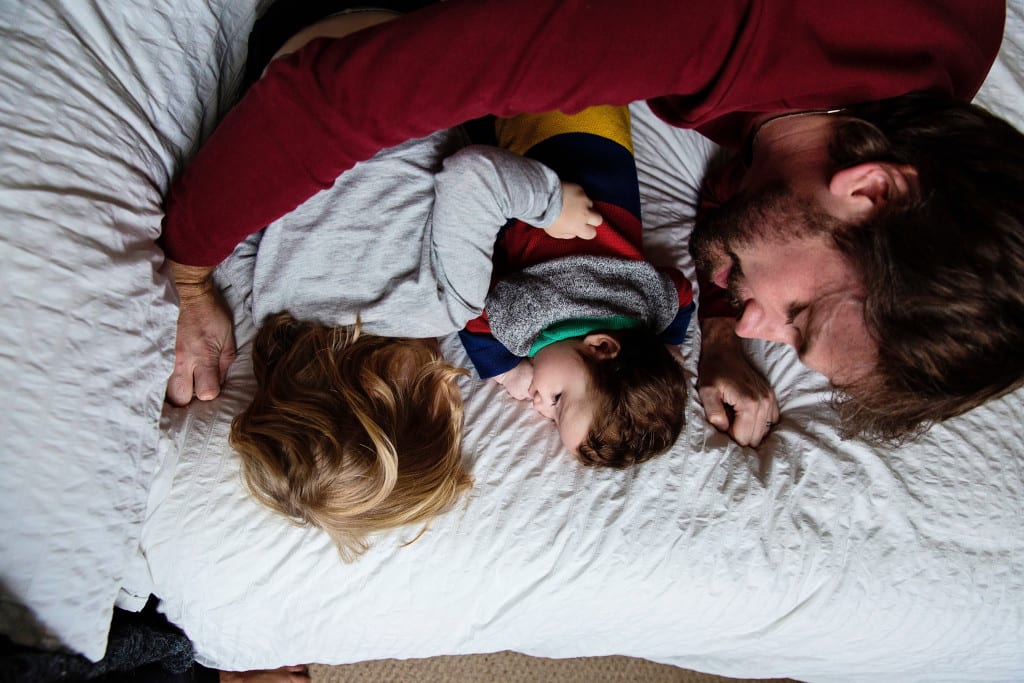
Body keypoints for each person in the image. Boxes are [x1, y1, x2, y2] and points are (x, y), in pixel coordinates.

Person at [161, 0, 1023, 448]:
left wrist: (720, 333)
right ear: (872, 192)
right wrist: (193, 272)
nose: (762, 327)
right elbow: (341, 93)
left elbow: (762, 189)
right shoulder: (693, 26)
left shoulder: (950, 54)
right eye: (795, 318)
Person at [204, 7, 607, 560]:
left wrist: (550, 204)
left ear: (417, 393)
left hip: (402, 38)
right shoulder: (269, 308)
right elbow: (236, 215)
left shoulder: (445, 304)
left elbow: (475, 176)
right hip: (292, 49)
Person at [459, 106, 694, 466]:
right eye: (559, 400)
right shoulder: (529, 317)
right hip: (535, 137)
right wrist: (505, 369)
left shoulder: (648, 306)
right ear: (600, 347)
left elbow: (681, 291)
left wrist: (670, 341)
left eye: (552, 419)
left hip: (605, 129)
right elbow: (469, 308)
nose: (540, 405)